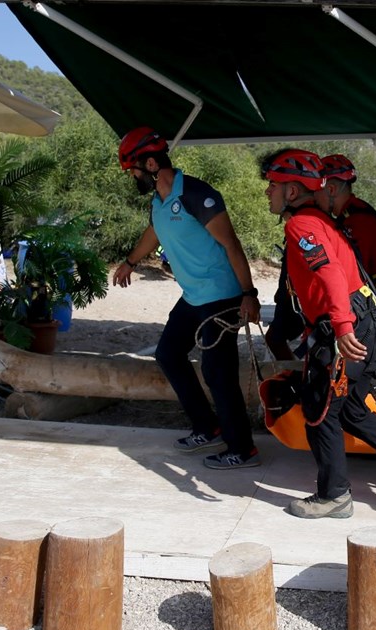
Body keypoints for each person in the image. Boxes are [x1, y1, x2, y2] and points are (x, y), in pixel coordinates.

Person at [260, 148, 376, 518]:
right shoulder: (322, 219)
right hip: (368, 323)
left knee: (321, 409)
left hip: (348, 327)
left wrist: (341, 328)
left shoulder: (302, 225)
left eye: (272, 186)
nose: (268, 193)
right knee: (353, 409)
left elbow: (327, 273)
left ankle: (335, 496)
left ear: (292, 191)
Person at [112, 127, 261, 470]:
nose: (132, 176)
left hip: (222, 295)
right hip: (193, 296)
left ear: (151, 164)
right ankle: (208, 427)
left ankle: (243, 448)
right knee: (168, 354)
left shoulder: (197, 194)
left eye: (133, 169)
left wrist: (248, 294)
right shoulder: (159, 202)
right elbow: (154, 231)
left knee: (217, 371)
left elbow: (232, 245)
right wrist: (130, 261)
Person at [316, 154, 376, 327]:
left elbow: (355, 272)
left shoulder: (355, 221)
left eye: (317, 191)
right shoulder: (355, 210)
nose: (314, 197)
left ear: (331, 190)